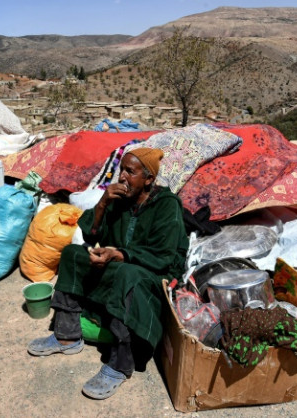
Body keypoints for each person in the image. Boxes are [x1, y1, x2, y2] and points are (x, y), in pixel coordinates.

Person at [27, 147, 188, 399]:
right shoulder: (119, 201)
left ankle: (120, 363)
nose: (122, 177)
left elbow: (165, 256)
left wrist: (119, 254)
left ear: (148, 179)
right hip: (121, 264)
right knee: (72, 255)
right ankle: (67, 336)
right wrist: (102, 203)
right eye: (121, 170)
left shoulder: (167, 206)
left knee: (127, 274)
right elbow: (91, 234)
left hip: (155, 275)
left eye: (130, 172)